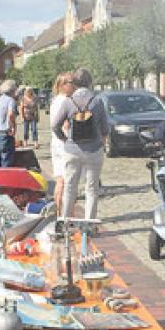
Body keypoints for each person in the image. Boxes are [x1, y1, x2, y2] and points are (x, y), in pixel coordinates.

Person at [51, 68, 111, 220]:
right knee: (91, 189)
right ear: (90, 83)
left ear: (75, 83)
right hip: (93, 150)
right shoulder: (97, 101)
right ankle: (89, 223)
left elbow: (55, 125)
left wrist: (64, 140)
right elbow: (105, 129)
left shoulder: (68, 101)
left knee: (70, 188)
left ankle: (65, 221)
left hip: (72, 150)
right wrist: (101, 144)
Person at [49, 73, 76, 217]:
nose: (75, 85)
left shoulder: (56, 100)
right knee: (67, 183)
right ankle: (67, 215)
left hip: (56, 143)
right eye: (72, 82)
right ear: (63, 85)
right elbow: (65, 125)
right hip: (64, 145)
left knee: (60, 181)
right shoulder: (66, 101)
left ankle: (60, 214)